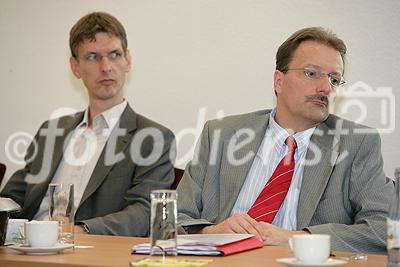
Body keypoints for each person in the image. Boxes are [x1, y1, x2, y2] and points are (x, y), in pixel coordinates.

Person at [177, 27, 393, 253]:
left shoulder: (357, 144)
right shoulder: (221, 135)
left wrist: (297, 239)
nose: (325, 87)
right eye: (312, 73)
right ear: (278, 81)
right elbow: (173, 220)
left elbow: (386, 229)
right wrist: (212, 234)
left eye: (334, 79)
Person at [1, 11, 175, 236]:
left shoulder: (153, 138)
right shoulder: (51, 131)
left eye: (114, 54)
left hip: (88, 248)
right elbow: (10, 201)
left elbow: (145, 213)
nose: (106, 67)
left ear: (127, 60)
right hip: (27, 246)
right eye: (93, 57)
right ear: (75, 67)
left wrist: (79, 231)